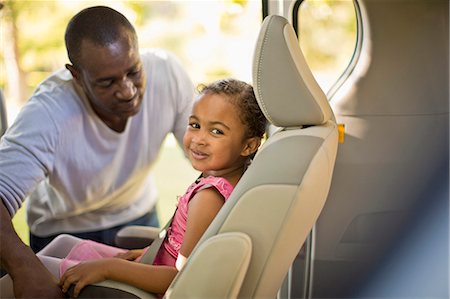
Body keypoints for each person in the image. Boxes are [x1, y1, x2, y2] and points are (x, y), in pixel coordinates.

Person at [0, 78, 267, 297]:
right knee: (62, 243)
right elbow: (187, 246)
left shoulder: (209, 197)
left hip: (154, 290)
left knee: (37, 269)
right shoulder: (228, 180)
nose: (198, 139)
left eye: (216, 131)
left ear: (248, 145)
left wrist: (108, 268)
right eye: (195, 125)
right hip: (155, 263)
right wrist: (151, 251)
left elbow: (180, 277)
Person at [0, 6, 194, 298]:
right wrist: (23, 266)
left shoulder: (167, 74)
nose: (128, 90)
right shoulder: (47, 112)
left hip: (138, 216)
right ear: (76, 76)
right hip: (63, 228)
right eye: (107, 82)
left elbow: (214, 157)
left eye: (133, 71)